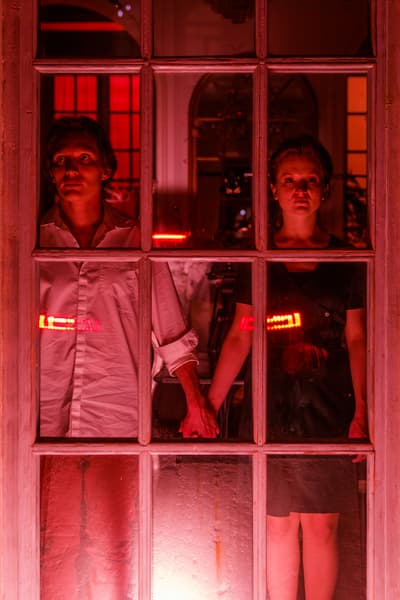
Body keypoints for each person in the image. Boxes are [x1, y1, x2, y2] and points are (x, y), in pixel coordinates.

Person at [39, 116, 218, 599]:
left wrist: (195, 401)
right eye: (61, 161)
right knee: (53, 543)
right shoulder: (33, 239)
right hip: (46, 417)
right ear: (50, 172)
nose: (71, 170)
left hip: (116, 413)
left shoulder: (135, 241)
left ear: (106, 170)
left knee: (116, 544)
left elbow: (171, 330)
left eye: (84, 158)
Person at [208, 136, 368, 600]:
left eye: (310, 180)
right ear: (274, 190)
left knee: (321, 527)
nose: (300, 189)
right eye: (290, 180)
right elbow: (241, 334)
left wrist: (363, 411)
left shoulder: (347, 261)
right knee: (276, 526)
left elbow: (357, 339)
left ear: (325, 189)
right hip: (271, 407)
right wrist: (209, 406)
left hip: (330, 407)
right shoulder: (257, 259)